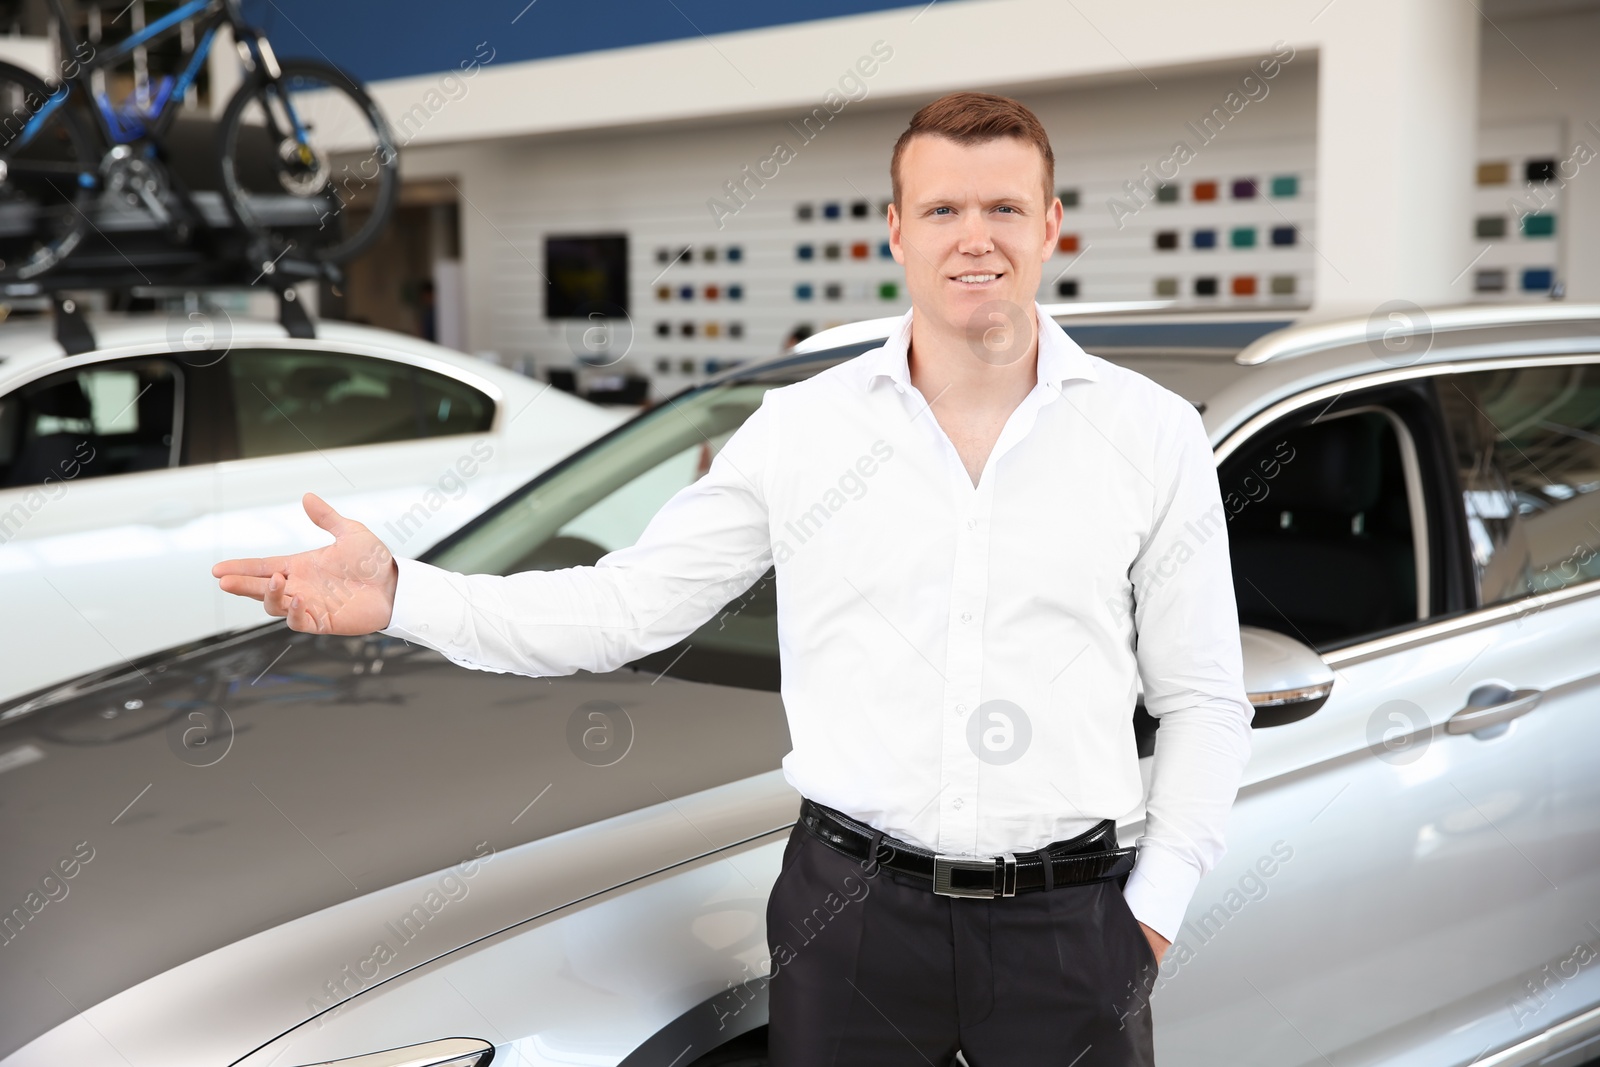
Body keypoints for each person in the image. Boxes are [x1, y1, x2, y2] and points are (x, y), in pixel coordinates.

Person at [212, 91, 1253, 1066]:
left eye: (1002, 207)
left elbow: (1203, 695)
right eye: (941, 206)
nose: (972, 235)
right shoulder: (802, 430)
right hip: (849, 920)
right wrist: (406, 591)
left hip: (1068, 928)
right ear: (895, 230)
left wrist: (1150, 914)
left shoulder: (1147, 433)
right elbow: (623, 606)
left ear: (1050, 224)